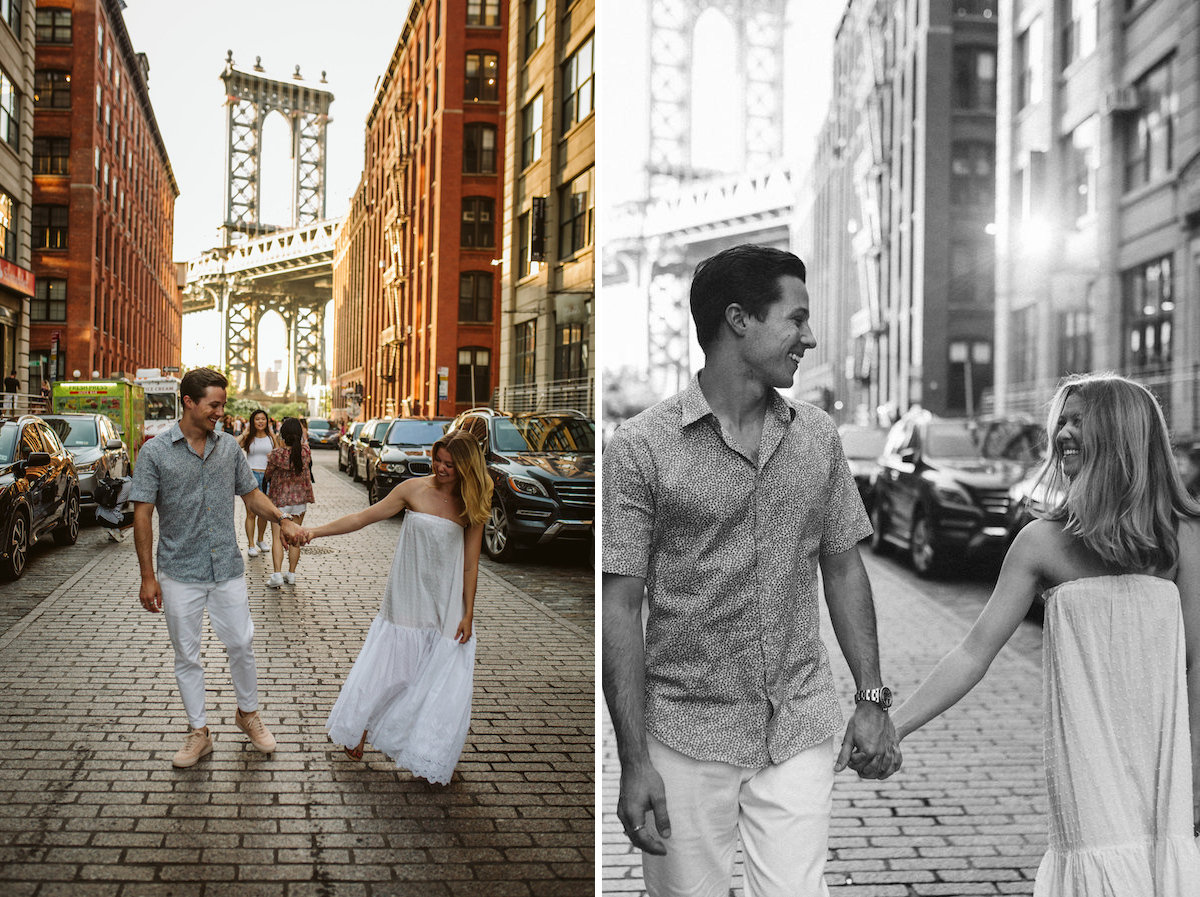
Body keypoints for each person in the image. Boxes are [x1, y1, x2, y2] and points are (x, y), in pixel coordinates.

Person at [602, 244, 901, 897]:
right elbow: (619, 607)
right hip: (684, 731)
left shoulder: (817, 436)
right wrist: (632, 761)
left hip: (796, 722)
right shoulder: (640, 447)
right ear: (739, 320)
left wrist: (872, 698)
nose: (809, 336)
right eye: (796, 319)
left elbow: (845, 568)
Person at [892, 373, 1200, 895]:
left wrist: (1194, 780)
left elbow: (1196, 668)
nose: (1063, 433)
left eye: (1081, 421)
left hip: (1163, 767)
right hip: (1086, 766)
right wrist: (894, 726)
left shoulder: (1183, 537)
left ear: (1123, 434)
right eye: (1063, 420)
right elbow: (973, 652)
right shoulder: (1041, 542)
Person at [131, 367, 304, 768]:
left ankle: (248, 714)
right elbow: (142, 516)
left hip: (226, 565)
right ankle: (199, 732)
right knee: (187, 655)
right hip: (178, 571)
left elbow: (252, 495)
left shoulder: (229, 448)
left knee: (241, 643)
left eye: (223, 405)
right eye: (214, 404)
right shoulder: (155, 452)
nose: (220, 413)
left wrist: (281, 519)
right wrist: (147, 576)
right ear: (189, 402)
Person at [295, 430, 490, 784]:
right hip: (407, 596)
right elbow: (363, 518)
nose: (442, 468)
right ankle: (361, 728)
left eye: (450, 464)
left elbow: (470, 564)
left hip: (446, 603)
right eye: (438, 460)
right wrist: (314, 532)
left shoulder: (471, 503)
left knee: (437, 679)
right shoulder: (412, 489)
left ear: (465, 467)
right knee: (392, 669)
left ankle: (428, 749)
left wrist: (468, 612)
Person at [263, 417, 314, 588]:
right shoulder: (305, 452)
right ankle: (291, 574)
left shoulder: (277, 454)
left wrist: (279, 443)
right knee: (295, 538)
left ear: (282, 435)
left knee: (278, 538)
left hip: (280, 501)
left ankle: (277, 574)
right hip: (299, 502)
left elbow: (268, 474)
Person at [239, 409, 277, 558]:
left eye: (263, 419)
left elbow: (280, 453)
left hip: (267, 477)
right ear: (252, 421)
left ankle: (260, 539)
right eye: (257, 419)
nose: (260, 421)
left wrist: (273, 434)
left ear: (267, 421)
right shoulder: (249, 438)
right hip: (251, 476)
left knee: (264, 513)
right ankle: (251, 545)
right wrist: (245, 432)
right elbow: (235, 445)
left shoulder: (271, 438)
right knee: (251, 513)